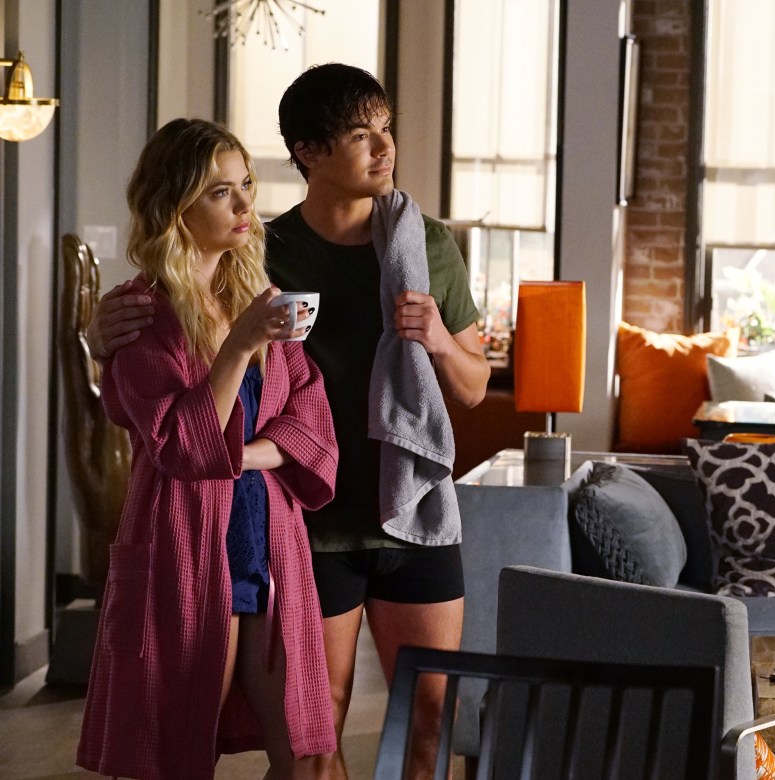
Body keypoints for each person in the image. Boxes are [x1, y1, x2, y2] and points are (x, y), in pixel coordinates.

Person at [89, 65, 489, 779]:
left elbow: (468, 387)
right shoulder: (259, 255)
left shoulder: (426, 247)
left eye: (386, 129)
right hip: (310, 524)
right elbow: (168, 367)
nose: (384, 148)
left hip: (413, 510)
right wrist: (100, 338)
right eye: (361, 134)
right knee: (312, 731)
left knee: (430, 713)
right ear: (307, 151)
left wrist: (436, 338)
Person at [76, 118, 339, 779]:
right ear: (175, 206)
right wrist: (240, 345)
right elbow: (183, 446)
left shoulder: (260, 299)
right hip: (184, 549)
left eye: (246, 184)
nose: (247, 204)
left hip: (268, 544)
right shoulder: (140, 316)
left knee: (307, 753)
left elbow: (312, 422)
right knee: (176, 752)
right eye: (222, 192)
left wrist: (240, 456)